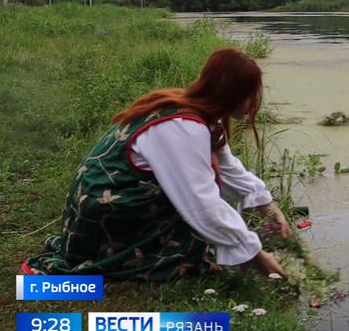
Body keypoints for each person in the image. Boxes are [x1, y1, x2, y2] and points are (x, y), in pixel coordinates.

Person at [23, 48, 289, 281]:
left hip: (99, 202)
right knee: (182, 203)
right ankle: (119, 254)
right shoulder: (184, 127)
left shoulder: (199, 113)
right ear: (232, 94)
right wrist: (255, 254)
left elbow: (230, 170)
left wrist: (269, 207)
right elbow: (200, 203)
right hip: (102, 212)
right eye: (249, 94)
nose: (253, 102)